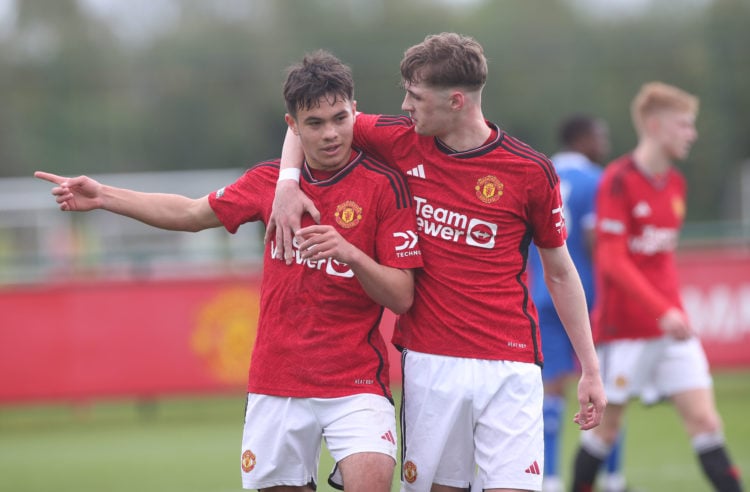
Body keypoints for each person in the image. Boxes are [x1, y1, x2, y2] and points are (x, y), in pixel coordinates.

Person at [35, 50, 424, 492]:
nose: (331, 133)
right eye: (315, 124)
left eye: (340, 118)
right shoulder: (269, 182)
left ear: (356, 111)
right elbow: (189, 212)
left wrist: (352, 255)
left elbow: (402, 296)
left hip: (355, 382)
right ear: (293, 127)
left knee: (372, 479)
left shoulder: (384, 186)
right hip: (277, 383)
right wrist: (103, 195)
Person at [268, 33, 607, 492]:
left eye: (415, 95)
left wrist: (590, 367)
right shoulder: (401, 140)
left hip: (510, 367)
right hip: (430, 364)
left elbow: (561, 271)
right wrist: (288, 184)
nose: (405, 105)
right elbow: (304, 121)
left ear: (456, 101)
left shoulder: (530, 171)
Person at [569, 82, 743, 492]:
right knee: (605, 431)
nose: (691, 134)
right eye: (683, 125)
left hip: (671, 330)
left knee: (705, 421)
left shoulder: (677, 185)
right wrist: (660, 308)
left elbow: (659, 260)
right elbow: (611, 260)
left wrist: (671, 310)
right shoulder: (618, 180)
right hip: (623, 330)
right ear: (654, 125)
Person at [527, 114, 619, 492]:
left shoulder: (539, 172)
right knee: (605, 383)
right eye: (600, 135)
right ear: (582, 139)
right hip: (586, 299)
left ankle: (548, 478)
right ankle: (612, 478)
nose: (605, 143)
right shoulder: (596, 181)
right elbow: (598, 241)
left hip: (542, 294)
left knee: (551, 388)